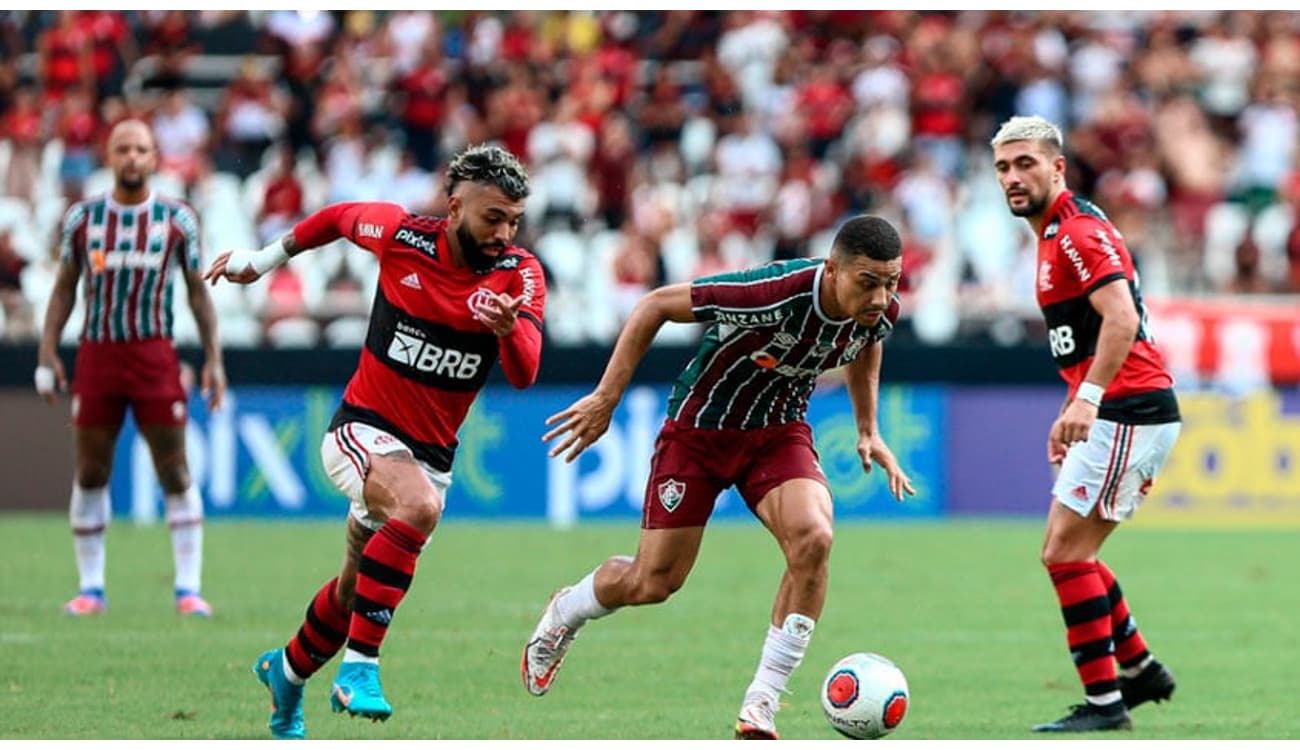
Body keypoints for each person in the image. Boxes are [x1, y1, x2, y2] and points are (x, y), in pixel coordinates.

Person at [521, 215, 915, 740]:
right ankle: (567, 609)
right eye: (868, 282)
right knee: (654, 582)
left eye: (891, 282)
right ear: (833, 269)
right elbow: (655, 305)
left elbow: (869, 343)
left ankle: (761, 703)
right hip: (699, 431)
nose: (880, 296)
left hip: (778, 433)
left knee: (814, 538)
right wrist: (606, 398)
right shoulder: (773, 292)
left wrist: (869, 429)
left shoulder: (880, 309)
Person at [204, 144, 545, 739]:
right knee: (418, 508)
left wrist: (509, 330)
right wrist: (261, 262)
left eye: (513, 220)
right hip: (360, 431)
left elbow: (525, 372)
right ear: (455, 205)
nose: (504, 232)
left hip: (429, 457)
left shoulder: (519, 276)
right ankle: (359, 668)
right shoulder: (400, 236)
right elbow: (336, 218)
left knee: (352, 589)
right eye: (493, 217)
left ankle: (285, 672)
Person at [990, 115, 1180, 733]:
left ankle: (1106, 705)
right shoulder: (1052, 236)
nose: (1014, 177)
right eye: (1003, 168)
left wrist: (1088, 400)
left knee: (1065, 553)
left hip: (1130, 407)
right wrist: (1075, 402)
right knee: (1075, 551)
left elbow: (1120, 318)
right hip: (1116, 406)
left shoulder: (1075, 232)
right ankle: (1140, 668)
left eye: (1026, 164)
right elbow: (1092, 335)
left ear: (1057, 167)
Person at [36, 119, 226, 618]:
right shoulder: (83, 219)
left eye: (141, 148)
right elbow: (63, 288)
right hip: (98, 354)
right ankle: (90, 588)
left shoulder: (177, 220)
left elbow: (197, 293)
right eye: (123, 149)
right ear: (109, 155)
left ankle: (188, 588)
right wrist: (47, 350)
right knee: (92, 469)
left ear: (155, 156)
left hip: (155, 355)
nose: (132, 158)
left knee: (174, 470)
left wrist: (214, 360)